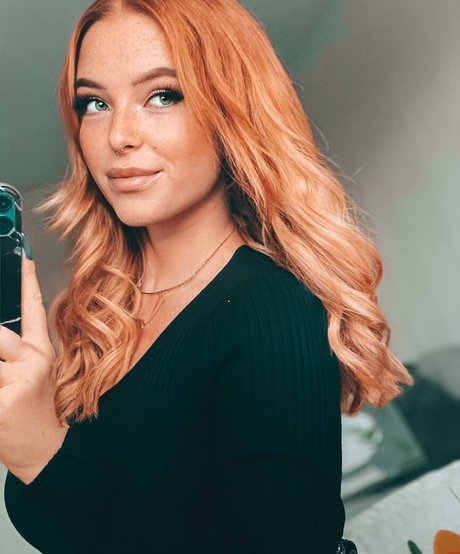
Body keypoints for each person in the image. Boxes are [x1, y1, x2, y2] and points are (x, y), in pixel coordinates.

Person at [0, 0, 412, 552]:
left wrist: (42, 455)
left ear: (230, 108)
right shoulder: (99, 310)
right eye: (94, 103)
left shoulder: (271, 312)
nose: (118, 135)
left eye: (162, 95)